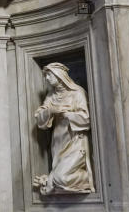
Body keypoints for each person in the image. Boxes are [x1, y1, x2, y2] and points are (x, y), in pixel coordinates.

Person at [32, 63, 94, 194]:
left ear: (59, 75)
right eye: (45, 76)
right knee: (61, 174)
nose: (47, 79)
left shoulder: (77, 93)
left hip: (75, 142)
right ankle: (54, 179)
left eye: (49, 75)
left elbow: (87, 118)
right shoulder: (51, 96)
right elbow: (39, 119)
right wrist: (51, 110)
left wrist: (68, 115)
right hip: (58, 141)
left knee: (62, 177)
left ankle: (86, 178)